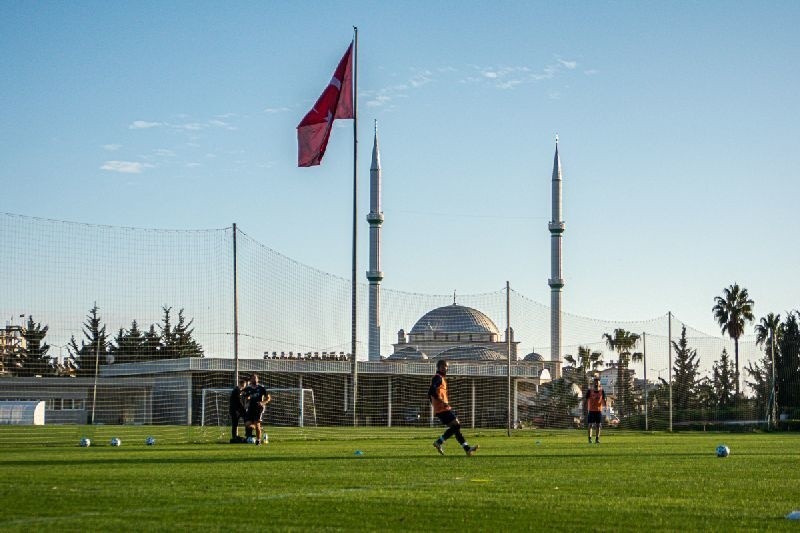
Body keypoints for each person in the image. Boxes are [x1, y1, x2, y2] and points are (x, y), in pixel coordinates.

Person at [429, 359, 478, 456]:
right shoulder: (437, 377)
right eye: (444, 366)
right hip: (442, 409)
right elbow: (431, 391)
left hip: (441, 408)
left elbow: (430, 394)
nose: (446, 368)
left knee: (456, 429)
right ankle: (439, 442)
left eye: (447, 366)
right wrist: (440, 402)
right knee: (457, 425)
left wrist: (435, 404)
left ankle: (467, 449)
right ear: (439, 367)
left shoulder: (441, 378)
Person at [243, 373, 271, 445]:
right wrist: (247, 402)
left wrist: (263, 402)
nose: (254, 379)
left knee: (257, 424)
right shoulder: (248, 388)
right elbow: (246, 397)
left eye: (256, 378)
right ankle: (259, 429)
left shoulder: (261, 388)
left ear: (258, 379)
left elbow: (268, 398)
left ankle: (258, 440)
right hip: (250, 408)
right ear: (251, 379)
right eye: (253, 378)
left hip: (259, 408)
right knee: (247, 424)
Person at [584, 376, 607, 444]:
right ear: (593, 382)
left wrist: (605, 404)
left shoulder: (602, 391)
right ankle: (589, 439)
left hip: (598, 411)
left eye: (597, 381)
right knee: (590, 425)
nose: (596, 383)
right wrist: (585, 407)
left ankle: (597, 439)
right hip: (591, 411)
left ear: (599, 383)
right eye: (595, 382)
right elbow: (586, 400)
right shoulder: (589, 391)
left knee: (598, 425)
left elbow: (604, 401)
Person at [229, 378, 248, 443]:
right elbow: (238, 402)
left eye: (244, 386)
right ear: (240, 384)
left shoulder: (241, 391)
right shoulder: (236, 390)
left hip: (239, 410)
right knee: (235, 424)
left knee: (246, 421)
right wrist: (243, 409)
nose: (243, 387)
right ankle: (234, 437)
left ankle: (248, 435)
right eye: (243, 386)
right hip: (235, 410)